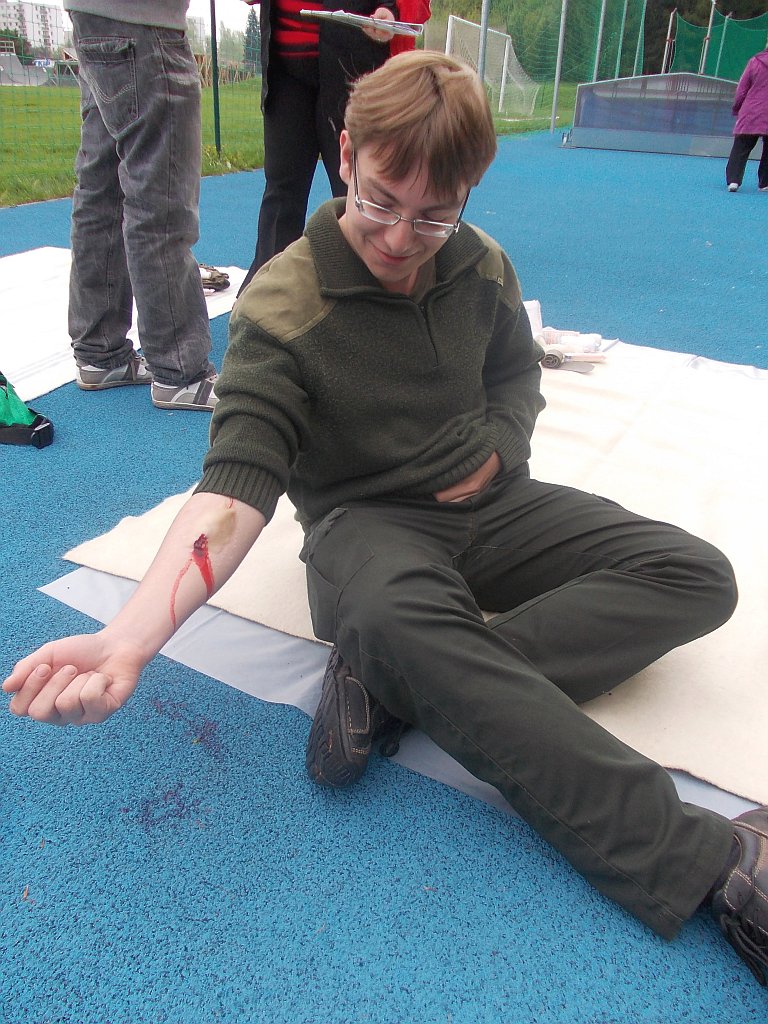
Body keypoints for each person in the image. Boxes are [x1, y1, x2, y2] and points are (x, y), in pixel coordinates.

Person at [4, 52, 767, 988]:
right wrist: (129, 637)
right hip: (368, 532)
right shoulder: (283, 305)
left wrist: (500, 445)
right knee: (397, 618)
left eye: (434, 214)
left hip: (492, 506)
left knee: (696, 575)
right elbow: (234, 488)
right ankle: (713, 862)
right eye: (379, 202)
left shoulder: (480, 262)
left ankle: (398, 683)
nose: (403, 237)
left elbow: (514, 376)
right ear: (346, 154)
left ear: (470, 188)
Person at [65, 2, 218, 411]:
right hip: (144, 23)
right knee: (161, 200)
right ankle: (179, 370)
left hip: (93, 16)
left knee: (102, 191)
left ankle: (100, 353)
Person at [237, 0, 408, 295]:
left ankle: (372, 296)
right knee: (282, 191)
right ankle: (268, 295)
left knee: (360, 188)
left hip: (353, 61)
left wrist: (388, 9)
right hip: (285, 64)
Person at [725, 43, 768, 194]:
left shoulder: (755, 62)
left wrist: (737, 107)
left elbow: (742, 89)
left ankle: (734, 180)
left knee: (741, 146)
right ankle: (765, 183)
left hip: (751, 110)